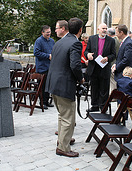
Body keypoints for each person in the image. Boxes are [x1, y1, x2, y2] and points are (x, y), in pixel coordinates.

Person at [46, 17, 84, 157]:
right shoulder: (75, 43)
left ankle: (63, 139)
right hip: (64, 85)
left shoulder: (59, 42)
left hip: (53, 84)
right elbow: (75, 65)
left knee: (62, 115)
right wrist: (81, 78)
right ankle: (63, 148)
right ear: (80, 30)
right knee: (68, 117)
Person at [84, 23, 116, 112]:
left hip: (104, 67)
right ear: (98, 29)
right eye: (103, 28)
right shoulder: (92, 38)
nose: (104, 30)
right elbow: (86, 51)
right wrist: (88, 55)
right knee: (94, 88)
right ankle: (94, 106)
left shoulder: (111, 40)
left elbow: (113, 55)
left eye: (106, 28)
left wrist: (107, 58)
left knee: (104, 88)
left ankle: (103, 107)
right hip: (94, 67)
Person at [34, 25, 55, 109]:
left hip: (50, 67)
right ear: (42, 32)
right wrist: (47, 56)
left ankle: (47, 101)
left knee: (48, 85)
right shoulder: (38, 41)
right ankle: (42, 102)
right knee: (42, 86)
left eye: (50, 32)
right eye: (47, 32)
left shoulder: (52, 41)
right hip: (42, 67)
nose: (49, 34)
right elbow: (36, 53)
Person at [107, 27, 120, 94]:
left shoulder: (113, 41)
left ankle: (114, 94)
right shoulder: (117, 40)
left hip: (113, 62)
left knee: (112, 79)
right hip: (115, 61)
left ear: (109, 34)